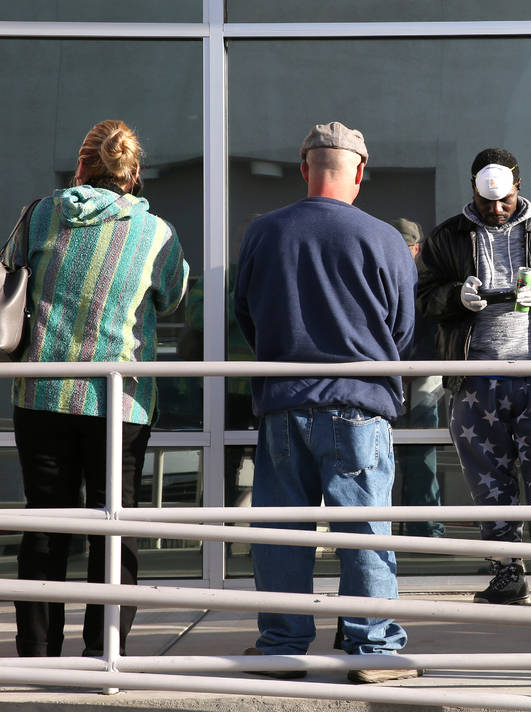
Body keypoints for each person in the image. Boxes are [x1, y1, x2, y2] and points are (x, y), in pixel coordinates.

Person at [233, 122, 419, 683]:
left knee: (283, 532)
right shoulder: (384, 238)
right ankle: (373, 649)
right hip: (359, 404)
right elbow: (403, 330)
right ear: (359, 171)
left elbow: (247, 314)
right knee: (363, 530)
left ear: (303, 168)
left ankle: (282, 644)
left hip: (284, 402)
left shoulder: (264, 232)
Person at [6, 119, 189, 657]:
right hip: (120, 400)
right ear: (133, 175)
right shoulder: (155, 232)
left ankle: (38, 656)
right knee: (114, 527)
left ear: (81, 166)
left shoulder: (40, 214)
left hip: (40, 392)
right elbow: (172, 298)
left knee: (45, 522)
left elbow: (9, 272)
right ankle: (104, 653)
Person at [417, 147, 531, 609]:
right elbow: (424, 297)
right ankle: (506, 572)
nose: (496, 210)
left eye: (504, 200)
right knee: (487, 480)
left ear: (518, 187)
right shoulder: (448, 237)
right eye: (486, 202)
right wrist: (456, 296)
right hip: (475, 376)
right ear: (473, 191)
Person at [390, 217, 446, 538]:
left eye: (404, 245)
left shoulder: (428, 283)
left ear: (417, 248)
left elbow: (436, 332)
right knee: (384, 452)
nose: (398, 251)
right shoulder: (382, 276)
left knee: (422, 452)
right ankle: (395, 525)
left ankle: (424, 527)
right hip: (391, 378)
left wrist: (411, 370)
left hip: (422, 378)